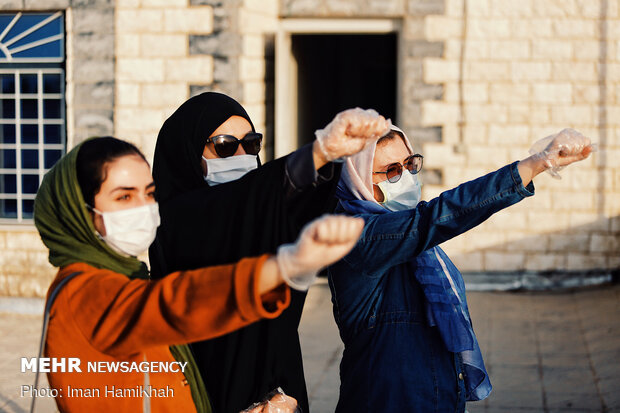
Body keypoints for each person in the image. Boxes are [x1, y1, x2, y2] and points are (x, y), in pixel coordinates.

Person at [33, 136, 364, 412]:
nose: (144, 207)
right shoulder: (85, 293)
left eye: (149, 193)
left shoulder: (122, 276)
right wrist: (285, 265)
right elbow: (174, 303)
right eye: (123, 196)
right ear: (76, 211)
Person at [149, 92, 390, 412]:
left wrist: (330, 162)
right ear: (189, 152)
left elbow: (289, 205)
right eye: (223, 146)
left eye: (250, 144)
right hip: (210, 390)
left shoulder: (262, 212)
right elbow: (231, 207)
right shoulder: (176, 219)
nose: (240, 154)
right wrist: (318, 153)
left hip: (282, 393)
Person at [328, 126, 593, 412]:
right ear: (357, 177)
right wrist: (533, 164)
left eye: (409, 164)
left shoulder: (412, 241)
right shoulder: (356, 236)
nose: (405, 178)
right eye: (391, 171)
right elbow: (435, 218)